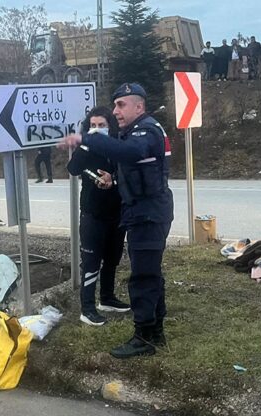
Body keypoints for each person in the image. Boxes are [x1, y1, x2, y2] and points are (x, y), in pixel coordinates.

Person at [58, 83, 173, 358]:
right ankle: (155, 332)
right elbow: (139, 169)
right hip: (144, 212)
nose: (115, 111)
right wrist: (116, 178)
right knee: (150, 272)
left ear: (139, 106)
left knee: (144, 276)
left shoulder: (147, 130)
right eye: (115, 105)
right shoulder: (136, 131)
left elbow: (132, 153)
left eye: (121, 105)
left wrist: (89, 137)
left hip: (148, 214)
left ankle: (144, 337)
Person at [67, 106, 130, 326]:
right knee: (91, 262)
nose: (97, 129)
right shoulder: (86, 148)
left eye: (101, 125)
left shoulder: (118, 146)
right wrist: (85, 145)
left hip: (116, 212)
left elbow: (126, 170)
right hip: (92, 213)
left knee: (112, 258)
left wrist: (112, 177)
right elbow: (73, 169)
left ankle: (107, 298)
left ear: (110, 126)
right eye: (93, 125)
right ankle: (87, 308)